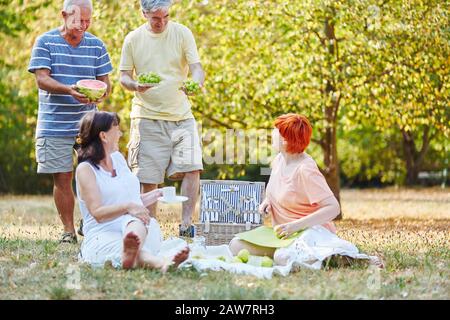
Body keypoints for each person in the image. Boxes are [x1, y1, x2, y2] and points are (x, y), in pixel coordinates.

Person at [229, 114, 383, 268]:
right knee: (236, 245)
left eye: (276, 131)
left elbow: (333, 208)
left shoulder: (305, 169)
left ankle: (350, 260)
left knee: (282, 257)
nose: (272, 133)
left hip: (310, 232)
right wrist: (267, 203)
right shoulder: (279, 160)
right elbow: (275, 193)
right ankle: (298, 255)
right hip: (284, 235)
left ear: (286, 140)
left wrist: (295, 226)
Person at [28, 0, 112, 243]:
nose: (84, 26)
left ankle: (91, 220)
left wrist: (103, 91)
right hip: (54, 123)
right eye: (78, 21)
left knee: (97, 175)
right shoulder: (45, 42)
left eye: (88, 21)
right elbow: (42, 79)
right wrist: (69, 90)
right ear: (64, 15)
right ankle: (68, 230)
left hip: (89, 124)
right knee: (62, 177)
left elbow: (105, 81)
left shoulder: (96, 45)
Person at [119, 0, 205, 237]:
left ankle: (186, 225)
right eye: (156, 18)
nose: (162, 22)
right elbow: (123, 76)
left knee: (192, 169)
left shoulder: (182, 33)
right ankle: (150, 226)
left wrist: (196, 82)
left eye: (166, 16)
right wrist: (135, 85)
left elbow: (197, 68)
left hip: (181, 115)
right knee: (149, 177)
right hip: (147, 117)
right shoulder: (133, 39)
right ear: (144, 13)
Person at [76, 111, 190, 270]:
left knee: (135, 221)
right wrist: (129, 207)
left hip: (133, 228)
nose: (120, 134)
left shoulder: (117, 159)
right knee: (128, 238)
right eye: (116, 129)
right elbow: (98, 213)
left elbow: (131, 201)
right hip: (103, 233)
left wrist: (155, 195)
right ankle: (161, 263)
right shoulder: (85, 169)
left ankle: (132, 247)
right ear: (104, 136)